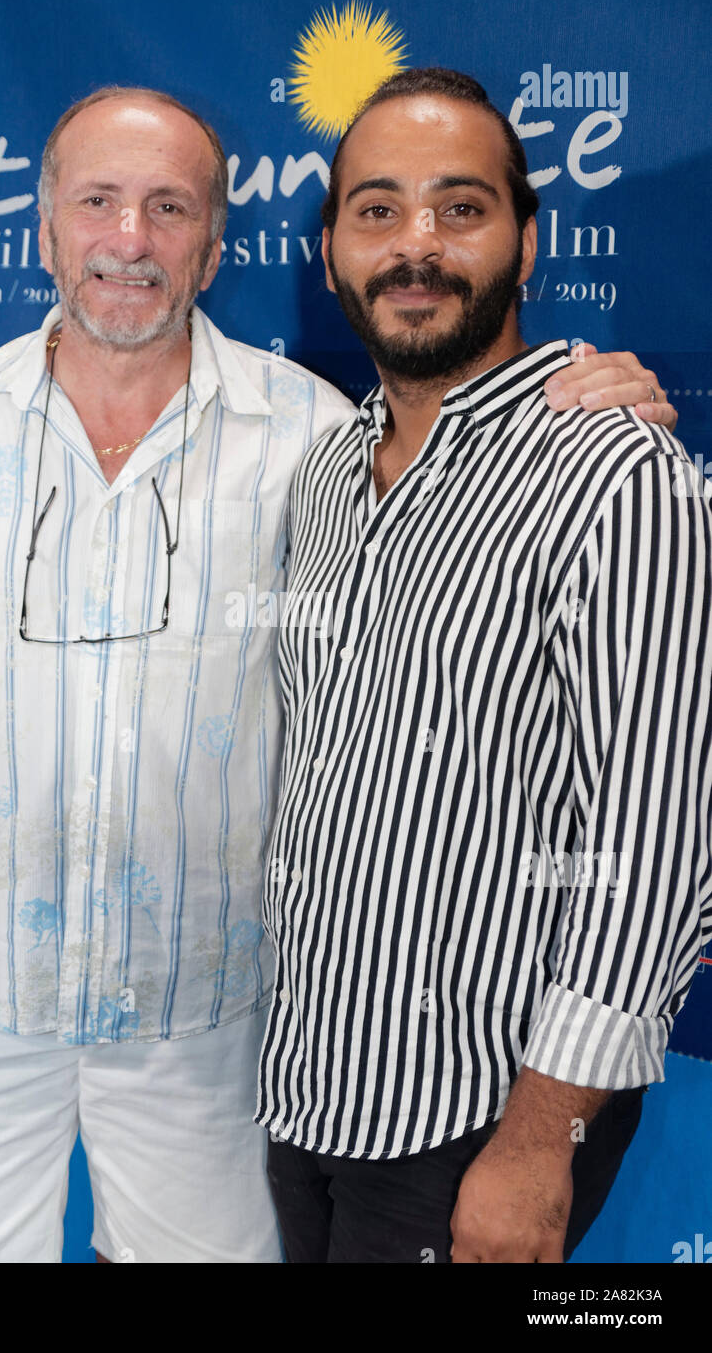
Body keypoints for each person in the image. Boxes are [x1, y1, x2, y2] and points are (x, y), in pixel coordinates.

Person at [0, 83, 676, 1265]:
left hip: (210, 1032)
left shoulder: (310, 437)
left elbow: (641, 829)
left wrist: (597, 393)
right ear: (43, 228)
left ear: (215, 244)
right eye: (97, 202)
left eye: (168, 207)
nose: (128, 240)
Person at [255, 67, 712, 1264]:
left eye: (459, 208)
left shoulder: (614, 474)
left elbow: (656, 843)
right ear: (331, 247)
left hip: (472, 1122)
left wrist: (538, 1139)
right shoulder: (323, 472)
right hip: (305, 1091)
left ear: (526, 238)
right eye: (377, 210)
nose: (416, 246)